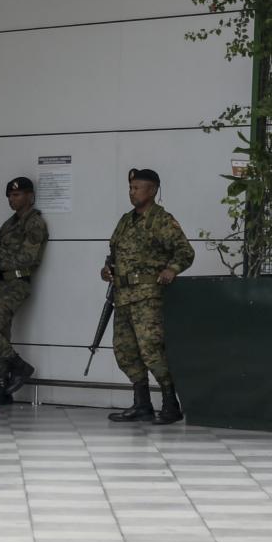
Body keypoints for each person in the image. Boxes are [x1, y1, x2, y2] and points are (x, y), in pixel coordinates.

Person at [104, 167, 195, 425]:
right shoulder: (125, 220)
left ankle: (170, 405)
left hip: (148, 297)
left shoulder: (161, 220)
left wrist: (172, 269)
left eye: (137, 188)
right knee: (125, 351)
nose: (132, 193)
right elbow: (114, 253)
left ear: (152, 190)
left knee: (151, 350)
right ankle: (141, 404)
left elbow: (185, 252)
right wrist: (107, 269)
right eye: (130, 188)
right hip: (122, 296)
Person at [0, 176, 49, 406]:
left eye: (17, 195)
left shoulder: (35, 223)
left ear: (29, 196)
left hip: (17, 284)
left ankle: (21, 366)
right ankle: (2, 388)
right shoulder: (8, 224)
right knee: (1, 333)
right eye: (9, 195)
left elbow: (28, 257)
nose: (12, 199)